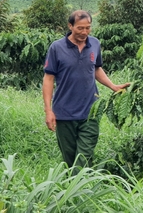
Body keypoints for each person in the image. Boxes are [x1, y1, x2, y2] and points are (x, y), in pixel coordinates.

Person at [43, 10, 130, 168]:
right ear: (70, 26)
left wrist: (113, 86)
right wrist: (48, 110)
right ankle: (74, 188)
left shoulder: (95, 44)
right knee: (70, 159)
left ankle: (80, 190)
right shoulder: (56, 48)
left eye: (88, 28)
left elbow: (96, 69)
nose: (84, 32)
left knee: (84, 156)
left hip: (90, 111)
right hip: (64, 112)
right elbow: (48, 78)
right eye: (80, 28)